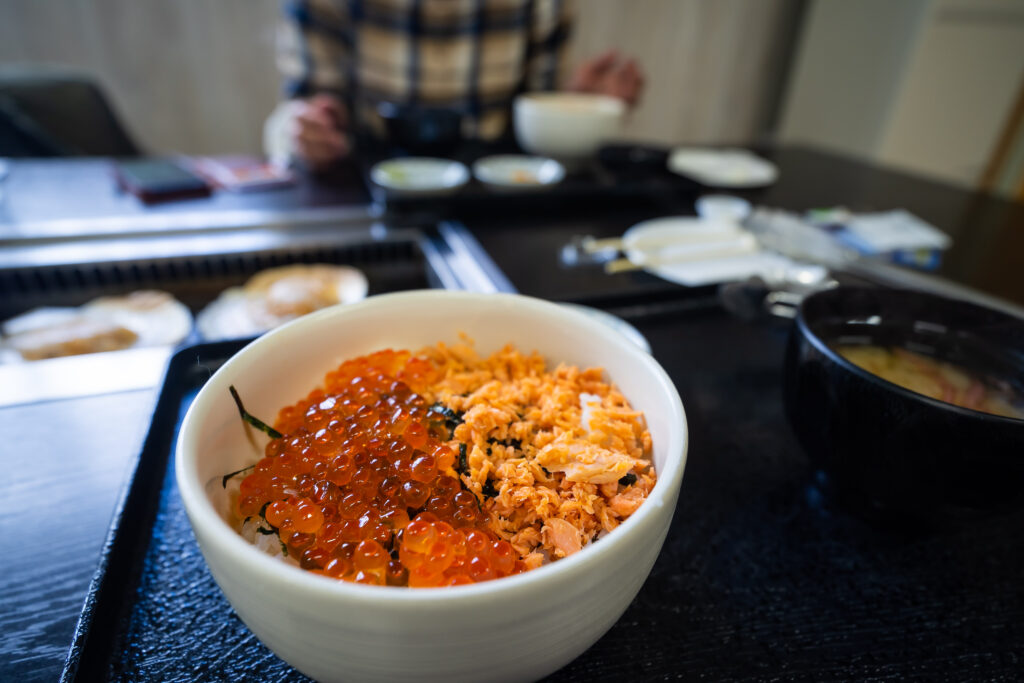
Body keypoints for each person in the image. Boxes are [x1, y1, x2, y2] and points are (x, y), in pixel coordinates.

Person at [264, 0, 644, 170]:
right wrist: (313, 126)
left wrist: (579, 110)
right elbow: (307, 99)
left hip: (495, 186)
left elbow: (540, 102)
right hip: (372, 175)